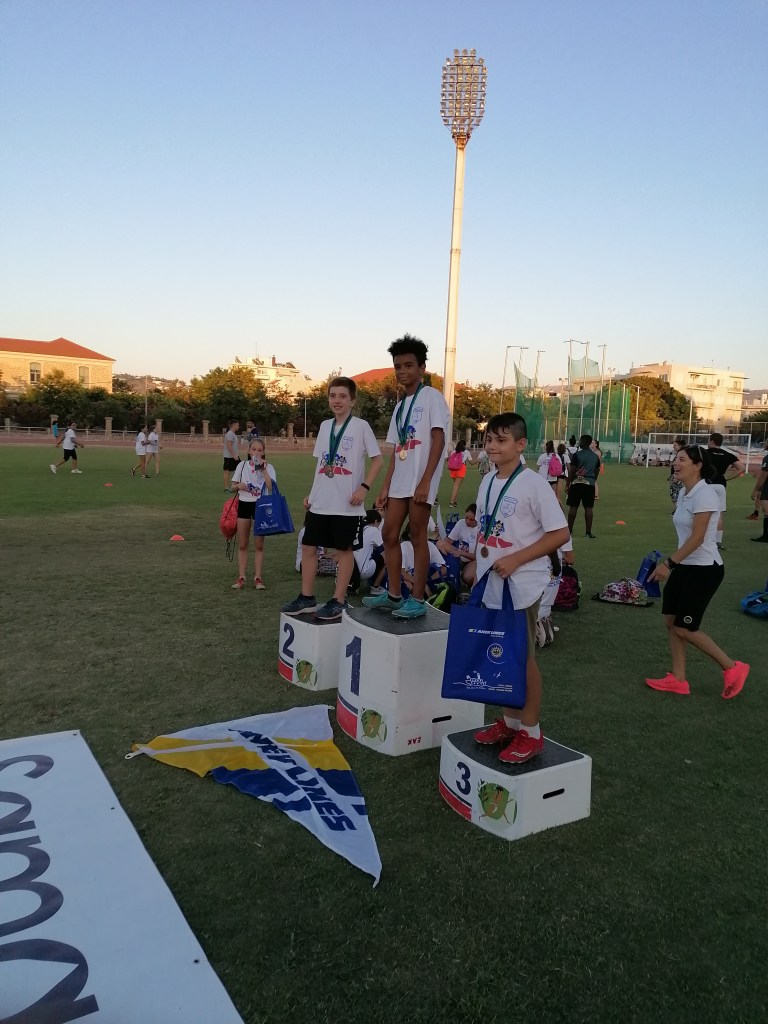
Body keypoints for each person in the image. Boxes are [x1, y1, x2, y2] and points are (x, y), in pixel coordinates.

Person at [472, 412, 570, 763]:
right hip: (492, 582)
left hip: (521, 585)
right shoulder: (487, 481)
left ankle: (531, 731)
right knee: (499, 654)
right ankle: (510, 722)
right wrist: (477, 565)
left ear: (520, 444)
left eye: (501, 440)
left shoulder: (534, 484)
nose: (492, 446)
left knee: (522, 658)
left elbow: (560, 534)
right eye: (489, 440)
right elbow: (487, 529)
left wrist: (516, 559)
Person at [645, 444, 749, 698]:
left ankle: (733, 667)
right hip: (685, 565)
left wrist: (668, 564)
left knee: (684, 628)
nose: (675, 463)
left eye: (682, 459)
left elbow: (698, 537)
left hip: (704, 569)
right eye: (676, 458)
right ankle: (678, 679)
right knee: (671, 621)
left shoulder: (706, 494)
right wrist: (675, 563)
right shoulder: (684, 492)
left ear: (698, 465)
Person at [363, 334, 449, 621]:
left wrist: (426, 480)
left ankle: (418, 600)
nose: (402, 371)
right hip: (400, 479)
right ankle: (394, 594)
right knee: (388, 534)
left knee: (417, 535)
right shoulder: (400, 407)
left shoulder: (432, 397)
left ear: (422, 368)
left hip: (421, 478)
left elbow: (439, 440)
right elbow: (397, 449)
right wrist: (385, 486)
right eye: (398, 366)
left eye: (409, 365)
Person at [282, 376, 382, 620]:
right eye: (333, 396)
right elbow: (322, 465)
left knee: (344, 551)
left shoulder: (361, 426)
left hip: (347, 504)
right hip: (321, 502)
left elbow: (378, 460)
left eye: (343, 396)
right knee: (309, 546)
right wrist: (312, 492)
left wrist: (364, 487)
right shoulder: (325, 426)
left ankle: (339, 600)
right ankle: (307, 597)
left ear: (352, 401)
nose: (337, 400)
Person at [229, 438, 275, 590]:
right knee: (243, 544)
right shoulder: (242, 465)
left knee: (259, 545)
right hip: (244, 504)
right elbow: (232, 486)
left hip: (260, 506)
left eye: (259, 450)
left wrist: (264, 470)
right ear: (249, 451)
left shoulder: (269, 467)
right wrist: (238, 485)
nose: (256, 453)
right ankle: (241, 577)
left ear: (263, 452)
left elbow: (270, 487)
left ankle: (258, 578)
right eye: (253, 449)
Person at [705, 432, 744, 550]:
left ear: (712, 442)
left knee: (703, 511)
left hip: (706, 484)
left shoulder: (705, 453)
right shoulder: (727, 454)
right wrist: (727, 478)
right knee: (719, 513)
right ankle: (718, 542)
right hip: (720, 485)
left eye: (708, 440)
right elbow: (741, 468)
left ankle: (703, 539)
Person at [437, 502, 479, 587]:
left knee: (467, 577)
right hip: (460, 557)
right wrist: (439, 539)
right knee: (440, 544)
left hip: (474, 560)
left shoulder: (481, 529)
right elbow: (448, 541)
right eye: (466, 517)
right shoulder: (461, 523)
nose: (467, 521)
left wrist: (461, 553)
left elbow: (476, 557)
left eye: (471, 520)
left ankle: (476, 582)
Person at [566, 434, 601, 538]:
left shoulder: (577, 455)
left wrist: (568, 483)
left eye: (580, 441)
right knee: (588, 508)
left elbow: (572, 470)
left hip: (577, 482)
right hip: (589, 483)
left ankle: (569, 531)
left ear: (582, 442)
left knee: (573, 507)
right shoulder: (595, 456)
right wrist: (593, 479)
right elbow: (597, 470)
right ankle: (588, 533)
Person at [349, 509, 384, 594]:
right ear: (376, 521)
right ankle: (375, 587)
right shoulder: (373, 530)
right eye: (378, 524)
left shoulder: (355, 528)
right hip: (362, 572)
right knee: (387, 558)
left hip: (346, 571)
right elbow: (384, 550)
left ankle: (352, 583)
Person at [749, 440, 768, 542]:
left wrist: (755, 490)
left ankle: (766, 536)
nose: (764, 443)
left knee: (766, 510)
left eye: (766, 442)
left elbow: (764, 476)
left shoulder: (767, 458)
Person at [447, 440, 473, 507]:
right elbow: (471, 462)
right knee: (456, 486)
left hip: (453, 469)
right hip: (461, 468)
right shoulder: (466, 452)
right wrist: (478, 460)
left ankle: (454, 501)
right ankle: (451, 502)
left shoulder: (454, 451)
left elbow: (450, 460)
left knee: (456, 486)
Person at [668, 436, 685, 512]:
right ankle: (678, 509)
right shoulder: (680, 454)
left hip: (677, 477)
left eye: (675, 445)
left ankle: (677, 510)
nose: (673, 447)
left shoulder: (681, 455)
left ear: (680, 446)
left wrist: (676, 476)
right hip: (677, 476)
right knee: (678, 493)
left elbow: (680, 466)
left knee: (674, 493)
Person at [223, 420, 241, 491]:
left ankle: (236, 486)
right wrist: (234, 455)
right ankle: (226, 487)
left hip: (234, 456)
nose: (238, 426)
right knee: (227, 471)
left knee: (240, 469)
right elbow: (229, 446)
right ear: (233, 425)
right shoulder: (230, 434)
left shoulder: (233, 434)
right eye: (237, 425)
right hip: (229, 457)